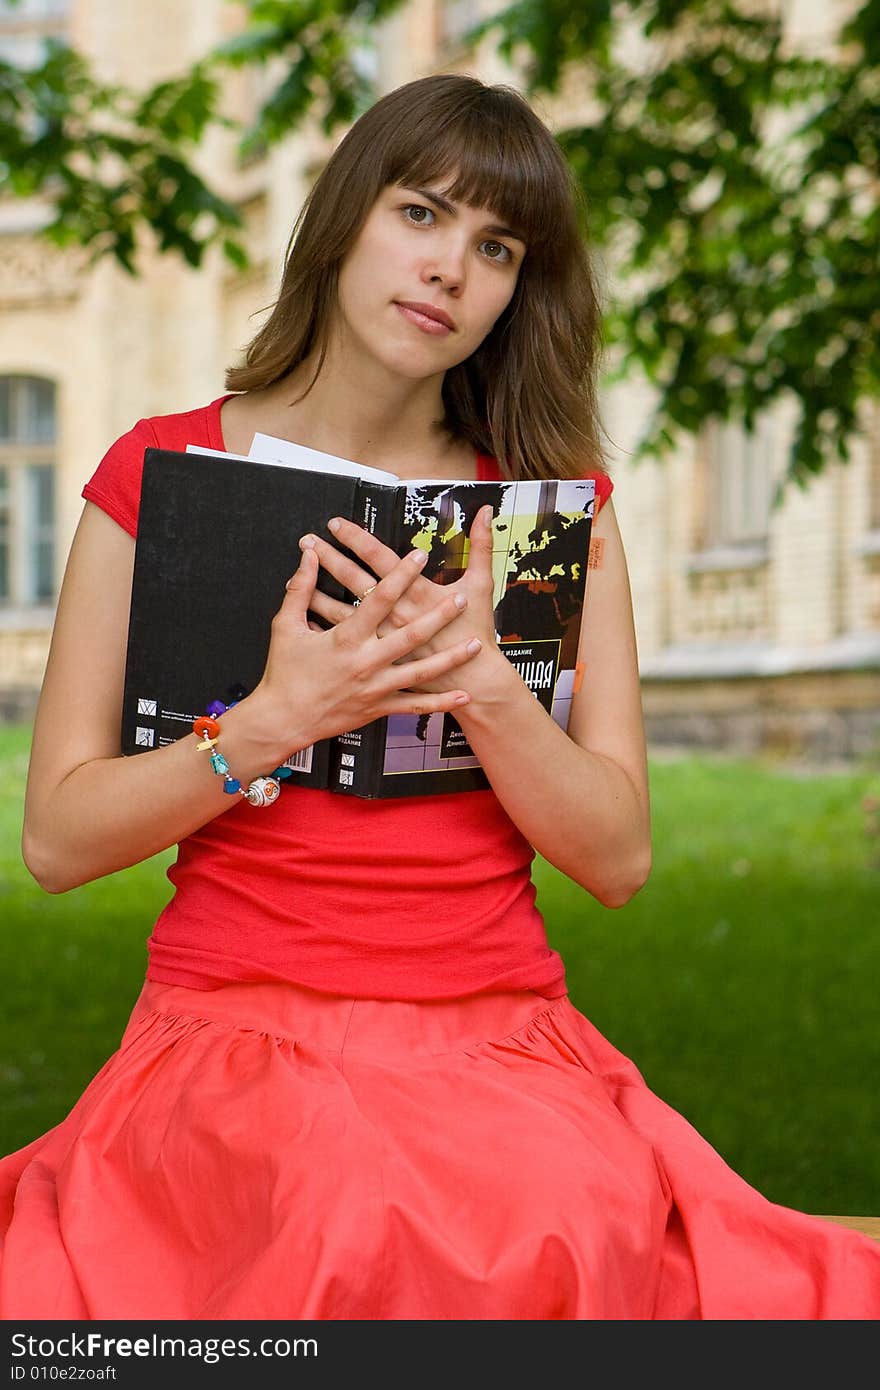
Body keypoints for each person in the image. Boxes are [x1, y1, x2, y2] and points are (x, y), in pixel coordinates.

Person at [2, 72, 878, 1322]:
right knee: (335, 1225)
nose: (449, 270)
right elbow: (55, 840)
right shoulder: (162, 470)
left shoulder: (543, 514)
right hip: (229, 1039)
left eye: (495, 246)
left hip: (494, 1042)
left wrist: (484, 683)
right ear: (346, 218)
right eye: (420, 214)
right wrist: (271, 721)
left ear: (519, 286)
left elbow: (617, 857)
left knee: (531, 1229)